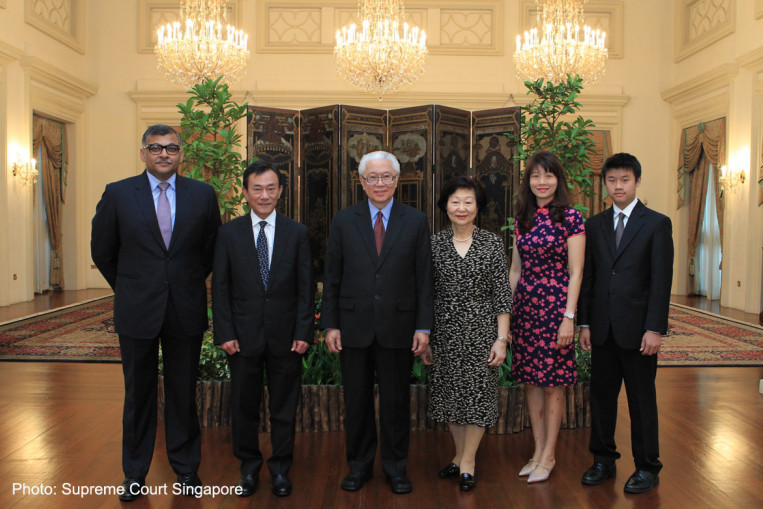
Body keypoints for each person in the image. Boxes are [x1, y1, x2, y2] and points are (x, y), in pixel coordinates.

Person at [91, 124, 221, 502]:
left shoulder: (203, 195)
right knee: (138, 395)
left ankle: (186, 469)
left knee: (183, 393)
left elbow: (211, 249)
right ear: (143, 152)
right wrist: (130, 286)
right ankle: (134, 474)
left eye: (171, 148)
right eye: (155, 147)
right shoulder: (117, 194)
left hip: (185, 308)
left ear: (182, 154)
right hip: (136, 310)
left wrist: (186, 281)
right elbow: (103, 251)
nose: (163, 154)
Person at [322, 150, 434, 494]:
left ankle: (396, 468)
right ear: (361, 182)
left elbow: (424, 278)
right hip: (353, 326)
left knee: (396, 403)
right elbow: (333, 276)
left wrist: (423, 326)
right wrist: (330, 324)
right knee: (355, 403)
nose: (380, 183)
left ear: (397, 180)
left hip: (398, 327)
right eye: (373, 177)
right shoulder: (343, 220)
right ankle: (358, 466)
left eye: (387, 176)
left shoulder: (415, 220)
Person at [212, 161, 313, 497]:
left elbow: (305, 287)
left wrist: (303, 331)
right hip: (241, 338)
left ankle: (281, 470)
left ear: (281, 191)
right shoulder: (228, 233)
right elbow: (220, 288)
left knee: (284, 408)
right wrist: (225, 332)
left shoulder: (296, 232)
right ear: (245, 192)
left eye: (271, 188)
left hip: (287, 338)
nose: (264, 195)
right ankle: (249, 469)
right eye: (257, 188)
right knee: (243, 408)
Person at [578, 152, 673, 494]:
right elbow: (590, 278)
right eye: (612, 180)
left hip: (639, 331)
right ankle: (603, 459)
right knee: (602, 398)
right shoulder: (594, 224)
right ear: (605, 183)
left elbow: (661, 281)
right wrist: (585, 323)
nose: (618, 186)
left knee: (641, 400)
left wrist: (654, 328)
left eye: (625, 180)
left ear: (637, 181)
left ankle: (647, 466)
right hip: (602, 328)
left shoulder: (656, 223)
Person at [423, 176, 512, 492]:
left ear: (478, 207)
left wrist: (501, 339)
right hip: (445, 331)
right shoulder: (433, 244)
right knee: (451, 397)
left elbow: (502, 294)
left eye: (468, 202)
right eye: (455, 201)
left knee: (478, 397)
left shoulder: (491, 244)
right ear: (445, 206)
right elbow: (426, 295)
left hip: (482, 331)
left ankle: (469, 461)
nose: (461, 208)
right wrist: (426, 338)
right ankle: (459, 457)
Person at [509, 151, 585, 484]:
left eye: (548, 175)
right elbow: (515, 269)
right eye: (536, 176)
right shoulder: (521, 217)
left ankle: (550, 455)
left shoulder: (571, 217)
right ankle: (537, 451)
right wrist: (508, 315)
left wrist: (569, 317)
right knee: (530, 380)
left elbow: (577, 270)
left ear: (558, 179)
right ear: (528, 181)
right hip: (525, 308)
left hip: (556, 308)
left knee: (554, 383)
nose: (542, 182)